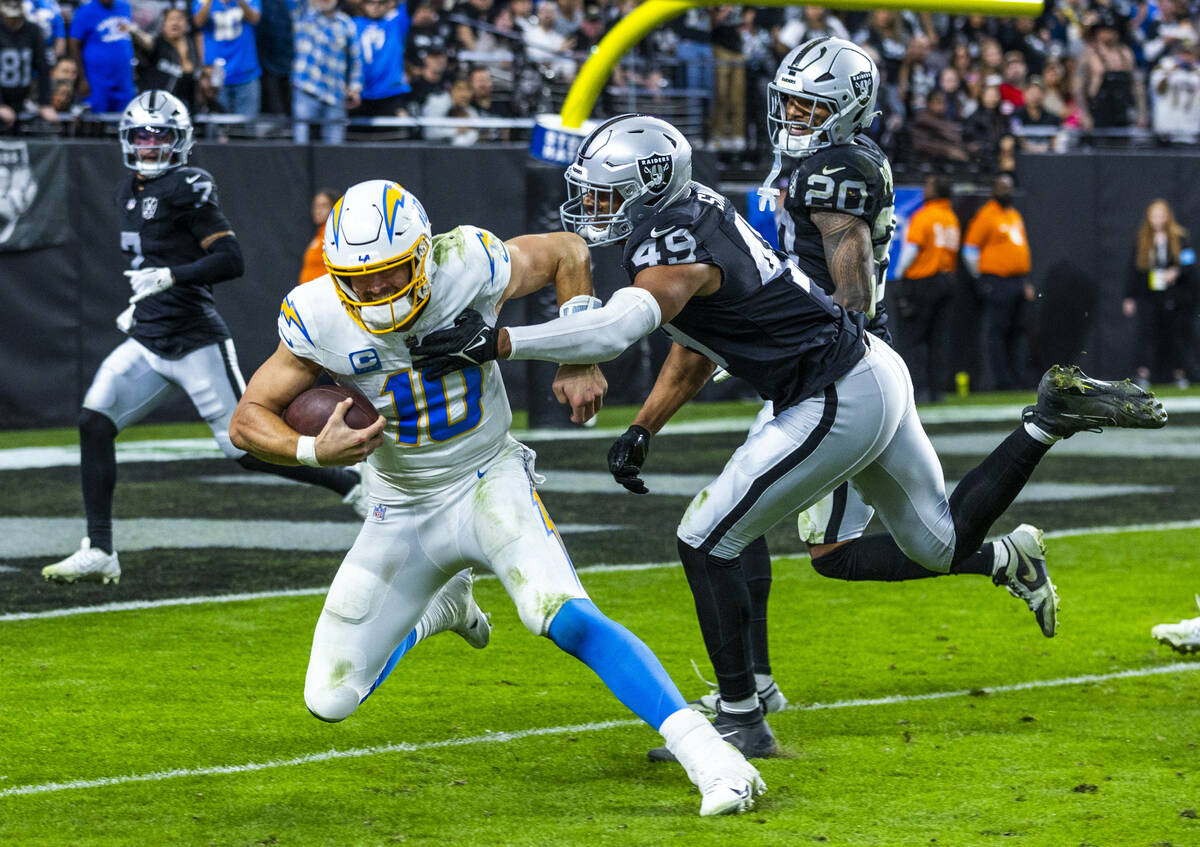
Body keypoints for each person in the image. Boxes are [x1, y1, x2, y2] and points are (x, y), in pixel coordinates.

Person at [409, 112, 1167, 759]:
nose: (590, 205)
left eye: (606, 192)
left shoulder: (672, 242)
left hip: (831, 392)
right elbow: (704, 339)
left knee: (707, 537)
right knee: (937, 544)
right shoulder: (693, 215)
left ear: (648, 185)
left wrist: (504, 342)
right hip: (869, 369)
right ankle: (1044, 421)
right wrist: (645, 424)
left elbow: (627, 323)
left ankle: (743, 714)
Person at [226, 179, 766, 817]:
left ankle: (713, 758)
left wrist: (577, 352)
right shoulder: (318, 313)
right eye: (357, 277)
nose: (372, 291)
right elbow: (247, 417)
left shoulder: (467, 263)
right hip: (399, 506)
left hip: (488, 478)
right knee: (329, 698)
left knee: (562, 617)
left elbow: (569, 250)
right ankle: (443, 610)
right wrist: (313, 451)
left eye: (388, 273)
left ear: (423, 257)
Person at [41, 91, 364, 586]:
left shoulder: (188, 186)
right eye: (141, 135)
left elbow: (231, 260)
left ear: (180, 140)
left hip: (194, 338)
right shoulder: (125, 192)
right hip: (148, 337)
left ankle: (352, 483)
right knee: (93, 422)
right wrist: (145, 300)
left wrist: (172, 277)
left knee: (244, 448)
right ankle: (100, 548)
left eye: (161, 135)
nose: (150, 145)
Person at [963, 173, 1034, 391]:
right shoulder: (986, 215)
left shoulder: (1013, 214)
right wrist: (982, 277)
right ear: (994, 190)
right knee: (997, 332)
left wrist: (1025, 282)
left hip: (1017, 282)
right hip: (996, 281)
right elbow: (969, 250)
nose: (1006, 191)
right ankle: (1001, 381)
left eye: (1009, 187)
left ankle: (1018, 378)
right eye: (1002, 187)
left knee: (1017, 332)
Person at [894, 174, 961, 402]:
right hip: (947, 280)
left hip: (923, 281)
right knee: (939, 338)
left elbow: (911, 251)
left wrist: (900, 273)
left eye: (930, 185)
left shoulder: (924, 216)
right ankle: (937, 390)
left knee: (914, 339)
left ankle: (918, 389)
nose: (925, 188)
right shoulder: (951, 216)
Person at [1123, 198, 1196, 389]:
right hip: (1149, 294)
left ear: (1167, 217)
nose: (1157, 220)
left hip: (1173, 294)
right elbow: (1133, 270)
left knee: (1175, 334)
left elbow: (1189, 262)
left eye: (1161, 215)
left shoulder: (1180, 237)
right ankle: (1143, 374)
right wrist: (1129, 296)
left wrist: (1176, 272)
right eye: (1154, 216)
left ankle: (1179, 373)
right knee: (1146, 334)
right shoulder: (1142, 239)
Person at [291, 0, 361, 144]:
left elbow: (355, 60)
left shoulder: (346, 23)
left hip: (335, 92)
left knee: (334, 148)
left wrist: (355, 88)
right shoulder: (302, 15)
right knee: (301, 144)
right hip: (306, 88)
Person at [192, 0, 262, 118]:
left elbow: (254, 18)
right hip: (215, 75)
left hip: (245, 72)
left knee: (247, 128)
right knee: (219, 128)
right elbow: (198, 22)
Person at [69, 0, 138, 112]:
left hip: (123, 76)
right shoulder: (85, 11)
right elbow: (74, 43)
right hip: (97, 78)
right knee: (97, 117)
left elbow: (127, 38)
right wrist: (82, 78)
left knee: (125, 114)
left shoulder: (124, 6)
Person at [0, 0, 58, 132]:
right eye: (10, 19)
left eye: (16, 19)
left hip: (22, 97)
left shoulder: (33, 30)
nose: (13, 22)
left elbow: (43, 68)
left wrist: (45, 103)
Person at [136, 7, 201, 113]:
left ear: (186, 24)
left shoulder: (191, 47)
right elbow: (146, 42)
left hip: (181, 111)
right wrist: (134, 31)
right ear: (163, 25)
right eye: (171, 19)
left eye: (180, 19)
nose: (175, 23)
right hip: (153, 110)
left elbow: (190, 73)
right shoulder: (158, 44)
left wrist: (182, 52)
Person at [298, 187, 336, 284]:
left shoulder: (334, 235)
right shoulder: (320, 235)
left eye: (323, 206)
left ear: (333, 207)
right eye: (316, 206)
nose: (318, 210)